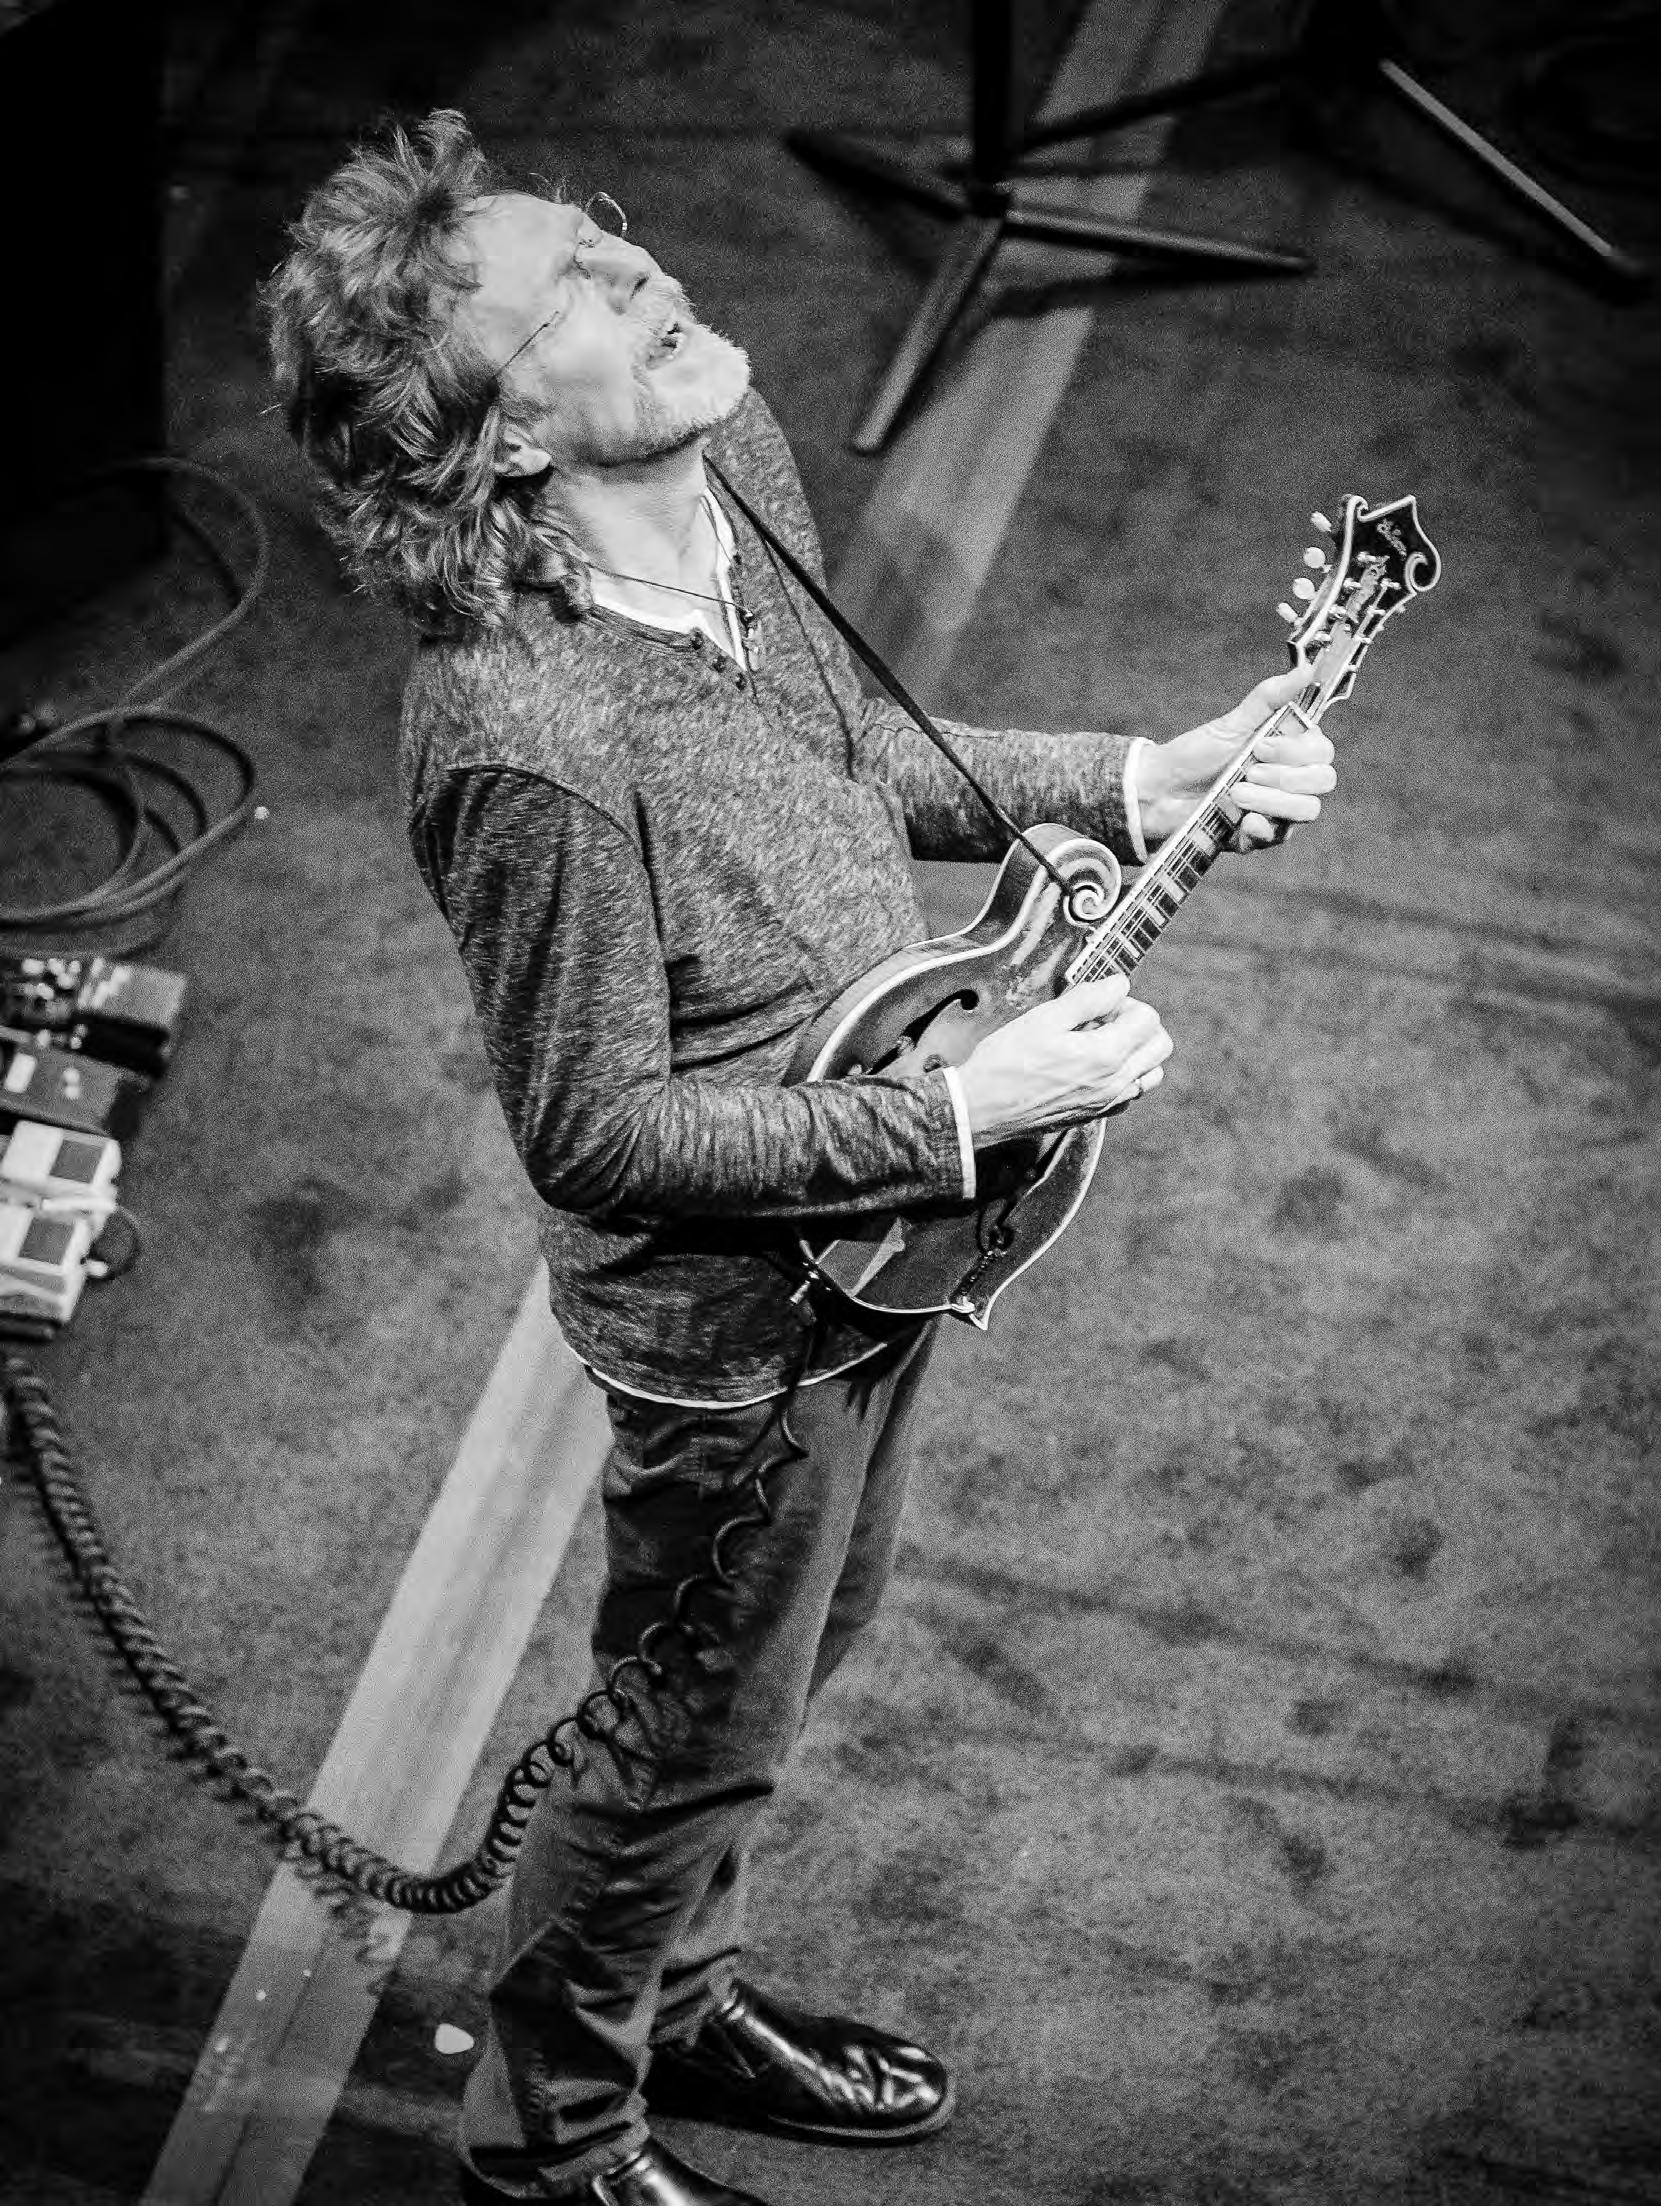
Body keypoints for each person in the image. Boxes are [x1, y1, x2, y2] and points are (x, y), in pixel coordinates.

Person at [264, 110, 1336, 2206]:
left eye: (608, 234)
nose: (642, 271)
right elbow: (595, 1131)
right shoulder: (526, 736)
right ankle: (551, 2138)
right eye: (572, 296)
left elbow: (850, 763)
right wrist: (963, 1111)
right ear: (500, 439)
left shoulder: (726, 467)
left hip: (890, 1231)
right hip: (733, 1323)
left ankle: (675, 1994)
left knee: (795, 1650)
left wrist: (1144, 776)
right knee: (684, 1727)